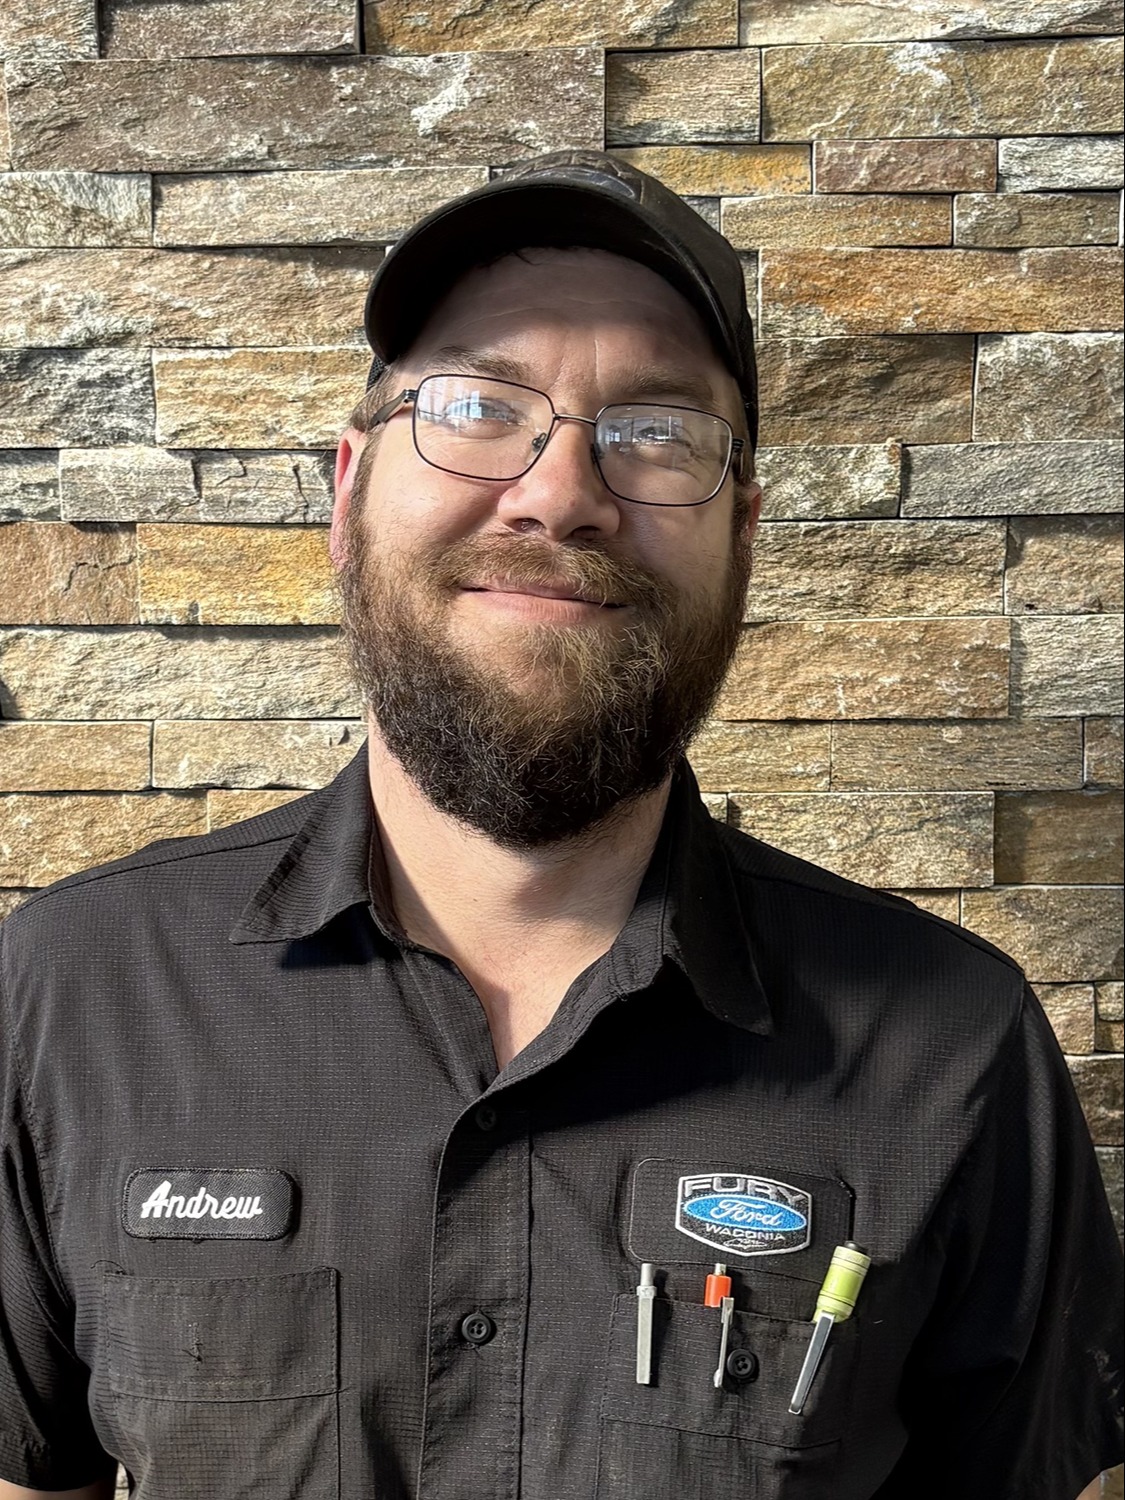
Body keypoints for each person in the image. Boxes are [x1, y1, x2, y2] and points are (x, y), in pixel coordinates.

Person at [0, 150, 1120, 1500]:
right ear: (347, 492)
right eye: (477, 406)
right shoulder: (72, 994)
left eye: (656, 431)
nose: (559, 493)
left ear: (743, 536)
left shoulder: (955, 1048)